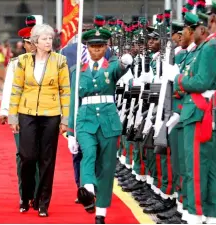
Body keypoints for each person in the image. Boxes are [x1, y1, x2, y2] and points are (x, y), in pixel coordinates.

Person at [167, 0, 216, 223]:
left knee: (197, 168)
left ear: (211, 20)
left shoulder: (211, 47)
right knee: (210, 169)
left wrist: (178, 78)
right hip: (207, 112)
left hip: (201, 114)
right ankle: (211, 214)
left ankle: (195, 214)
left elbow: (201, 81)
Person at [67, 26, 133, 223]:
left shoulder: (112, 66)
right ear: (86, 47)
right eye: (92, 47)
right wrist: (71, 132)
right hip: (85, 120)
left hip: (108, 122)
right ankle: (87, 189)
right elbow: (73, 102)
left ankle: (101, 212)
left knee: (106, 167)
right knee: (88, 154)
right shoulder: (77, 71)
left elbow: (120, 68)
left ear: (106, 47)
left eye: (100, 46)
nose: (96, 50)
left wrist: (126, 62)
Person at [8, 23, 70, 217]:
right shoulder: (23, 61)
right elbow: (16, 88)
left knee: (47, 159)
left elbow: (65, 91)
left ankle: (43, 202)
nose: (48, 42)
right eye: (44, 39)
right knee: (27, 157)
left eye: (50, 38)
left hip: (51, 115)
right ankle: (26, 196)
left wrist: (65, 119)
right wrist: (12, 115)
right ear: (35, 41)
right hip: (27, 113)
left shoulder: (60, 61)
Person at [60, 22, 111, 204]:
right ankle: (81, 187)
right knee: (80, 152)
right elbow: (66, 84)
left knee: (97, 152)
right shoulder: (67, 52)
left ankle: (94, 186)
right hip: (79, 107)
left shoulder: (108, 52)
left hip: (102, 110)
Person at [0, 16, 40, 212]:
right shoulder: (16, 64)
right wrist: (6, 112)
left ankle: (39, 195)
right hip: (21, 114)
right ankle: (25, 195)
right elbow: (9, 88)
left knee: (42, 156)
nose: (32, 46)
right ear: (24, 44)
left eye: (35, 42)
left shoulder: (51, 61)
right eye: (28, 42)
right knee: (24, 156)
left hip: (44, 114)